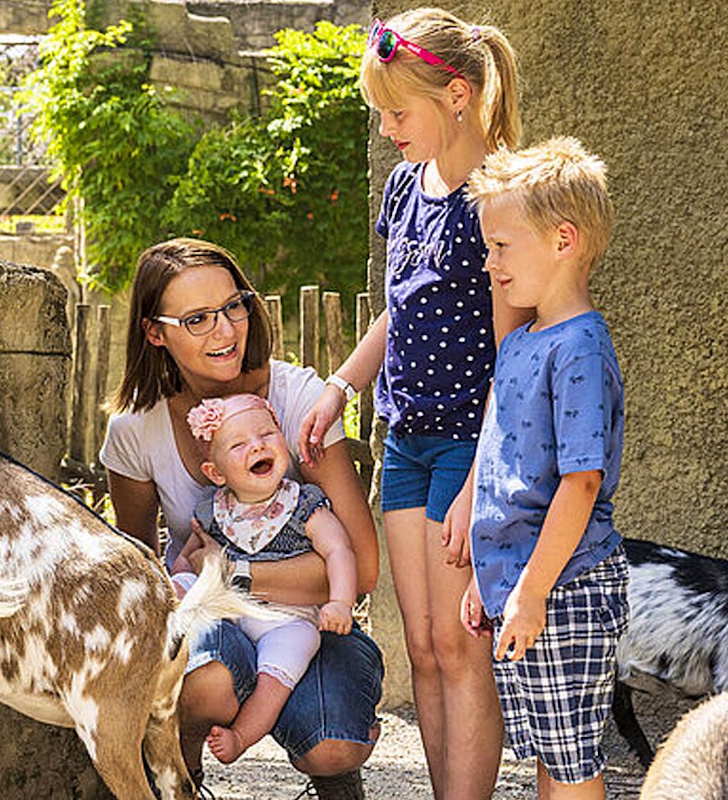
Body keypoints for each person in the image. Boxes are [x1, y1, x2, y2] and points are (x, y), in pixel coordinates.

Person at [297, 8, 528, 798]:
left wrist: (478, 481)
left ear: (455, 95)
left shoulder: (498, 198)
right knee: (423, 646)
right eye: (383, 114)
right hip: (405, 438)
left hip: (472, 440)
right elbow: (401, 308)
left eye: (400, 112)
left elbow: (513, 350)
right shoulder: (404, 186)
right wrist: (340, 384)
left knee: (463, 647)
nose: (389, 127)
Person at [100, 237, 382, 800]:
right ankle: (180, 779)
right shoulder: (136, 429)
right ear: (156, 332)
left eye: (235, 306)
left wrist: (231, 572)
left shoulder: (298, 398)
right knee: (205, 682)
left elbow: (364, 566)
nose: (226, 331)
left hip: (306, 621)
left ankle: (333, 763)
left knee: (333, 743)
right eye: (198, 319)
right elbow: (136, 569)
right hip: (212, 625)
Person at [459, 136, 628, 799]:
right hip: (524, 588)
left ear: (562, 240)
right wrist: (488, 579)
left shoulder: (581, 346)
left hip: (566, 586)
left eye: (502, 245)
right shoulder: (525, 341)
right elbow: (504, 463)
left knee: (572, 761)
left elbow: (580, 482)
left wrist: (529, 591)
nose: (489, 261)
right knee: (544, 752)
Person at [169, 393, 357, 765]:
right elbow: (187, 559)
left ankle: (241, 737)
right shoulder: (212, 507)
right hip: (227, 611)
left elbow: (339, 550)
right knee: (180, 589)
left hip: (287, 620)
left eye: (266, 435)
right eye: (239, 444)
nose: (257, 446)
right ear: (216, 472)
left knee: (277, 678)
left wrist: (340, 601)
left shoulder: (303, 504)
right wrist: (178, 581)